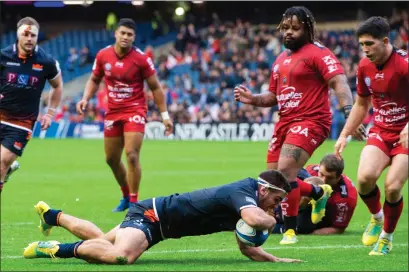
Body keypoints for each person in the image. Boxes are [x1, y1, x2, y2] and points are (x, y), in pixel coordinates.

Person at [233, 6, 365, 244]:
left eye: (295, 28)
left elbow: (339, 83)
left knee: (285, 170)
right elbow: (273, 97)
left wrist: (349, 114)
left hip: (311, 120)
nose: (289, 33)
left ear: (307, 29)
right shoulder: (280, 59)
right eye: (285, 28)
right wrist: (252, 99)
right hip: (285, 122)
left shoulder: (318, 53)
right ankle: (318, 191)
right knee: (272, 180)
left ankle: (290, 231)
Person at [23, 170, 303, 264]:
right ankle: (56, 249)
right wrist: (277, 222)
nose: (275, 208)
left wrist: (275, 259)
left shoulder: (249, 204)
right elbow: (256, 221)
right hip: (152, 216)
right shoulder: (244, 192)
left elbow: (247, 247)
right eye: (277, 201)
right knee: (122, 256)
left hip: (160, 225)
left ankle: (53, 216)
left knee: (101, 241)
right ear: (264, 189)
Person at [76, 18, 173, 212]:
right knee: (111, 159)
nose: (126, 37)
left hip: (135, 110)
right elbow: (94, 79)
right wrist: (85, 98)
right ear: (116, 34)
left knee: (131, 154)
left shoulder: (141, 59)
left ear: (134, 37)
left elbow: (155, 87)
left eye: (130, 34)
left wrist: (165, 115)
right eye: (123, 33)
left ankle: (135, 203)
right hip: (113, 112)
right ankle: (125, 195)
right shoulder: (103, 55)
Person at [334, 16, 408, 256]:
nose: (365, 50)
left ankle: (386, 237)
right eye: (362, 45)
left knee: (393, 187)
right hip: (381, 130)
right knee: (365, 178)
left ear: (385, 41)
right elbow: (362, 103)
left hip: (406, 135)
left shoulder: (405, 65)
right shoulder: (364, 67)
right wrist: (344, 133)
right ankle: (377, 217)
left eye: (369, 44)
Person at [0, 17, 63, 192]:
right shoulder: (3, 56)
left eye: (33, 35)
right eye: (25, 34)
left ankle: (6, 168)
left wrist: (50, 113)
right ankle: (8, 169)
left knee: (1, 164)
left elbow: (57, 86)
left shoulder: (46, 62)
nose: (29, 38)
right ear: (18, 35)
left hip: (22, 123)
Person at [272, 154, 358, 235]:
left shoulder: (346, 198)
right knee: (291, 173)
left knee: (302, 227)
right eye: (321, 174)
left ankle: (285, 225)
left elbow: (338, 228)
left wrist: (310, 233)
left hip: (319, 218)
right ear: (319, 168)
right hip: (300, 207)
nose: (323, 180)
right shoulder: (311, 171)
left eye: (330, 178)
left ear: (339, 178)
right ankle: (278, 212)